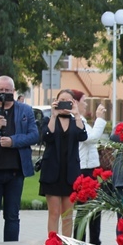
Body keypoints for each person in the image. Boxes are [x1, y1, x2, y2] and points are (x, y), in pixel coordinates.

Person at [0, 76, 39, 242]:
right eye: (0, 91)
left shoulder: (25, 110)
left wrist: (13, 141)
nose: (4, 93)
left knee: (12, 215)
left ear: (13, 91)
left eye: (7, 90)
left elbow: (34, 135)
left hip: (15, 172)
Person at [39, 89, 86, 236]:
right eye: (61, 100)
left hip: (70, 173)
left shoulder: (76, 121)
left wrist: (76, 113)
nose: (64, 104)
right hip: (52, 172)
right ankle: (52, 244)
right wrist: (54, 115)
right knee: (54, 213)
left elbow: (82, 135)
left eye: (68, 101)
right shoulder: (48, 120)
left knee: (67, 215)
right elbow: (47, 136)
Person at [72, 90, 107, 245]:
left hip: (89, 168)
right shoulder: (75, 120)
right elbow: (91, 138)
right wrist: (99, 119)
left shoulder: (82, 120)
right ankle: (81, 242)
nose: (85, 104)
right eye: (83, 101)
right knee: (85, 209)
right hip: (83, 169)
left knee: (94, 209)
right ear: (75, 102)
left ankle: (93, 242)